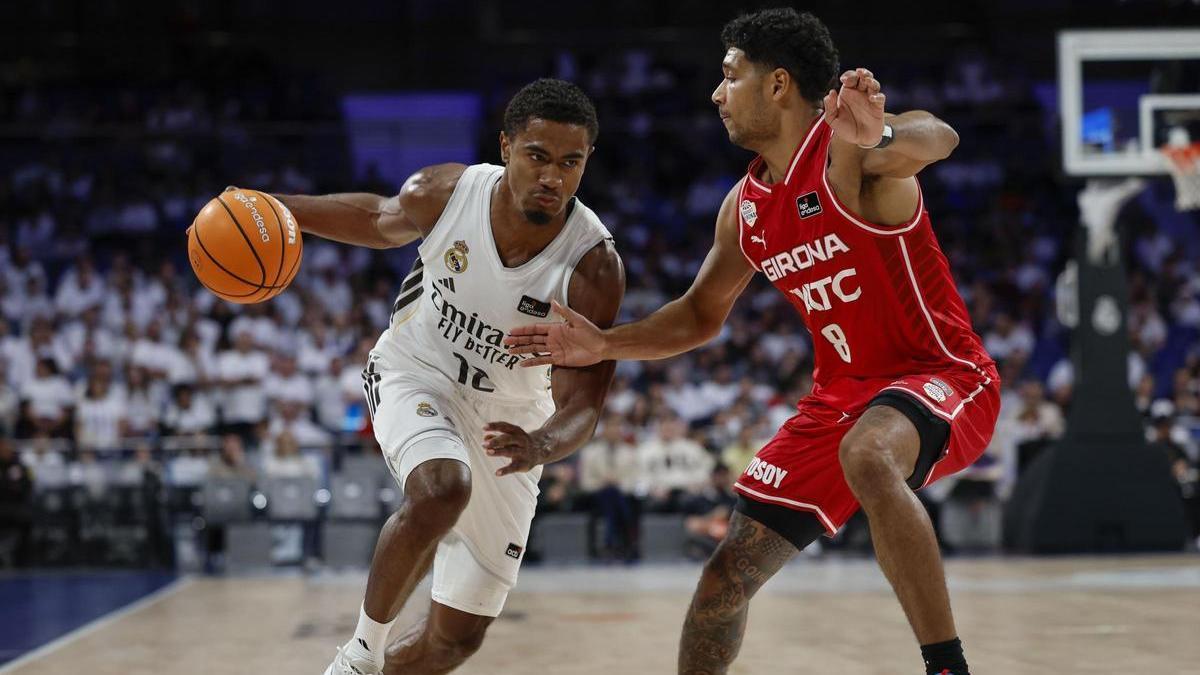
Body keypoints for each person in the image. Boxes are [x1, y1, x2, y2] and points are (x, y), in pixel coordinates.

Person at [505, 10, 999, 675]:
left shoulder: (848, 152)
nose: (716, 93)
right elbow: (700, 313)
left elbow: (937, 137)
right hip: (840, 400)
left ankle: (948, 666)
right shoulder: (744, 208)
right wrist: (605, 345)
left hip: (943, 374)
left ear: (778, 85)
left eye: (730, 75)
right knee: (722, 581)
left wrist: (878, 128)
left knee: (868, 451)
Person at [249, 78, 624, 674]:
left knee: (454, 641)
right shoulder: (446, 193)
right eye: (537, 156)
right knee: (443, 487)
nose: (552, 176)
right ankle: (358, 656)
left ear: (586, 163)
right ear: (506, 147)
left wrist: (540, 445)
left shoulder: (594, 266)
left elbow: (583, 407)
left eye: (569, 162)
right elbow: (376, 220)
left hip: (511, 425)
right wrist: (277, 208)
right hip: (415, 372)